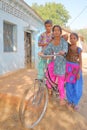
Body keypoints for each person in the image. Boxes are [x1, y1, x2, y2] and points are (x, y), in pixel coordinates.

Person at [40, 25, 68, 105]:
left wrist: (63, 52)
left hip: (61, 63)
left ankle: (62, 98)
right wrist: (42, 53)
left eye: (58, 30)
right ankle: (50, 89)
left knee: (60, 82)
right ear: (53, 32)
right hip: (53, 62)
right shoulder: (52, 42)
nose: (56, 32)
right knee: (48, 76)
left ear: (60, 32)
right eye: (54, 30)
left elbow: (65, 49)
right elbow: (47, 50)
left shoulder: (63, 41)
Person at [65, 32, 83, 110]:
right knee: (69, 85)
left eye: (74, 38)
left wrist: (79, 72)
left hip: (76, 69)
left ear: (77, 39)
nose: (72, 40)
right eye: (71, 38)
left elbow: (81, 61)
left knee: (77, 86)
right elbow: (62, 39)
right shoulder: (67, 47)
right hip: (68, 68)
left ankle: (75, 103)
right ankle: (69, 101)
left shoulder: (79, 49)